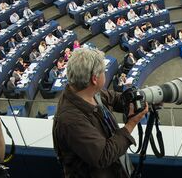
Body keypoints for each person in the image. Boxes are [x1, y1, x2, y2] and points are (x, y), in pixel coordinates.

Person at [52, 48, 148, 177]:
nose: (105, 73)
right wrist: (131, 124)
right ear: (94, 79)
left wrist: (146, 98)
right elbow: (103, 156)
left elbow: (117, 99)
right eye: (103, 71)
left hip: (117, 169)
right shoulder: (70, 120)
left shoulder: (88, 91)